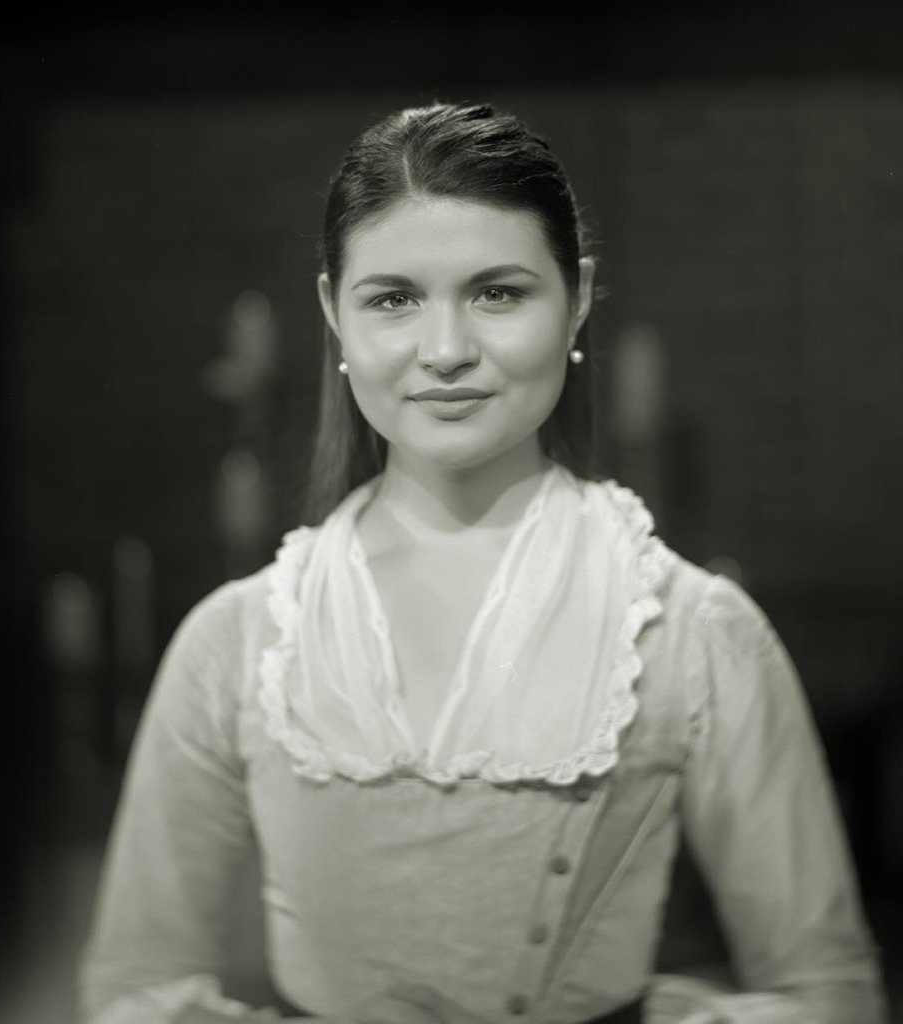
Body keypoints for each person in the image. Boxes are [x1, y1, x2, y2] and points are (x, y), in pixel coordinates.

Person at [77, 102, 889, 1024]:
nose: (447, 352)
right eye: (393, 299)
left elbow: (832, 994)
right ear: (333, 314)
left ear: (577, 298)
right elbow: (133, 990)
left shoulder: (692, 635)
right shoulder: (238, 643)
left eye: (498, 293)